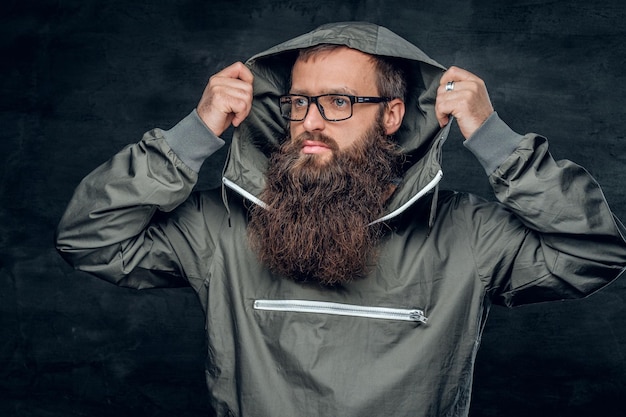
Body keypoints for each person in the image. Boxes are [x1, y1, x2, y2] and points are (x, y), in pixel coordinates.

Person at [55, 21, 626, 417]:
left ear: (393, 114)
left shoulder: (468, 235)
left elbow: (594, 253)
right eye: (299, 102)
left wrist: (495, 140)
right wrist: (194, 134)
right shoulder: (221, 227)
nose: (311, 121)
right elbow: (90, 239)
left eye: (339, 102)